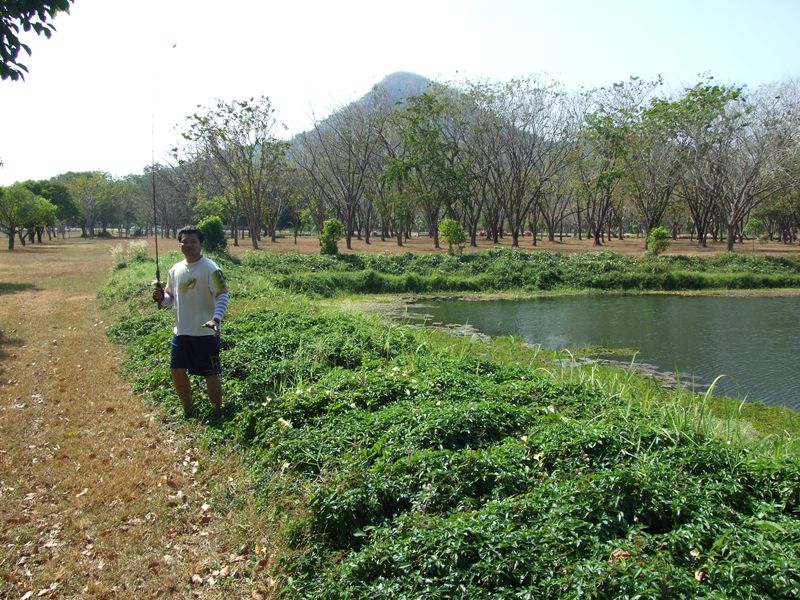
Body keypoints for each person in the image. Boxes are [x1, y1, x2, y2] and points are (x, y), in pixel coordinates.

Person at [152, 227, 229, 417]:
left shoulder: (212, 268)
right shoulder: (175, 269)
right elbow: (170, 298)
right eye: (184, 241)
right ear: (180, 244)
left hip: (205, 332)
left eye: (193, 241)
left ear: (200, 244)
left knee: (210, 374)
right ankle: (188, 409)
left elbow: (223, 295)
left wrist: (216, 318)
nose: (188, 245)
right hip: (182, 332)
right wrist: (162, 298)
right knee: (176, 371)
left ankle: (217, 412)